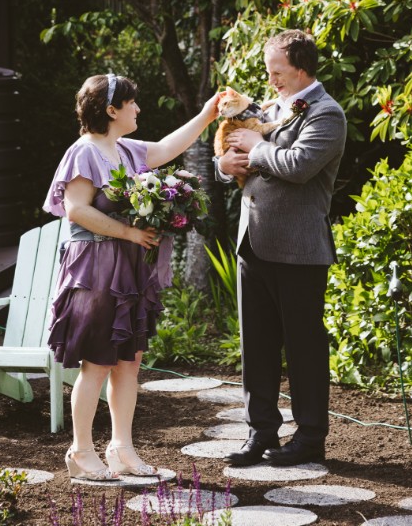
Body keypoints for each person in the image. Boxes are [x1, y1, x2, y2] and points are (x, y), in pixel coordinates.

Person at [44, 74, 220, 481]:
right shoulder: (83, 152)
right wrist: (128, 232)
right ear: (111, 111)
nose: (138, 109)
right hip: (96, 264)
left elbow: (167, 149)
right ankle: (80, 451)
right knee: (98, 361)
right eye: (131, 103)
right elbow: (76, 210)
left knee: (129, 362)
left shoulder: (126, 150)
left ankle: (121, 448)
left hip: (130, 264)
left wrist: (207, 115)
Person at [215, 29, 346, 467]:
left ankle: (310, 436)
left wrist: (256, 147)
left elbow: (300, 166)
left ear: (302, 69)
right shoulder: (271, 107)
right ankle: (260, 432)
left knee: (304, 345)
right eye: (270, 72)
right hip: (252, 242)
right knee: (257, 344)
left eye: (278, 72)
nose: (270, 80)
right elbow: (234, 147)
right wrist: (223, 165)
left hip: (299, 248)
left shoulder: (327, 114)